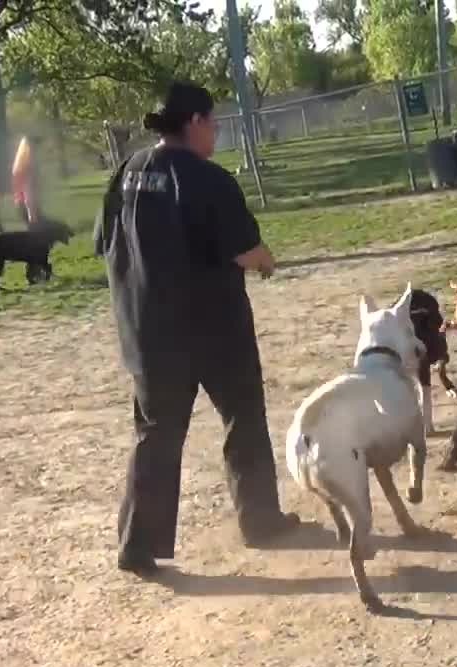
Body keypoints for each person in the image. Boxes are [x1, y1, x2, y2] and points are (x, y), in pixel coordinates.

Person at [93, 80, 301, 577]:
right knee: (243, 418)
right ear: (194, 123)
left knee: (157, 434)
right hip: (213, 329)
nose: (216, 130)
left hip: (147, 330)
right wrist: (267, 263)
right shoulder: (208, 179)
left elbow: (106, 244)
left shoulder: (126, 172)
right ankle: (260, 520)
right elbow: (249, 253)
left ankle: (136, 547)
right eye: (213, 121)